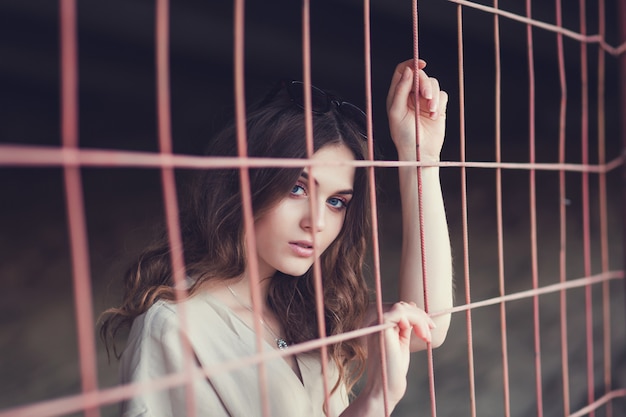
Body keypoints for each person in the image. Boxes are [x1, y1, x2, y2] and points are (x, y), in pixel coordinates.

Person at [100, 58, 453, 417]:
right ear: (247, 184)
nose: (315, 222)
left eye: (335, 202)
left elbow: (429, 322)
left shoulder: (306, 306)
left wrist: (420, 157)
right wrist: (374, 401)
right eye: (297, 189)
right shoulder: (174, 329)